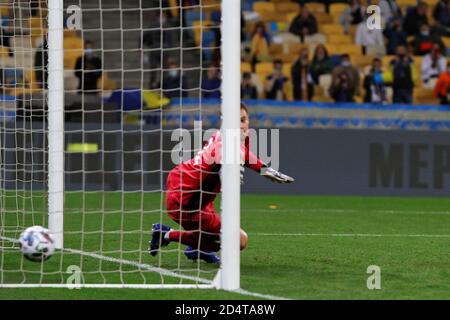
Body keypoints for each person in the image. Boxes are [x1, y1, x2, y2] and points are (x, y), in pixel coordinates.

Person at [149, 103, 294, 263]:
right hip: (185, 202)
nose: (240, 125)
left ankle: (195, 246)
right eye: (235, 121)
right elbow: (225, 153)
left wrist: (264, 169)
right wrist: (256, 169)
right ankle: (168, 235)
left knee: (221, 236)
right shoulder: (223, 143)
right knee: (239, 240)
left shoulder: (237, 139)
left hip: (198, 195)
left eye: (243, 120)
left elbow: (242, 154)